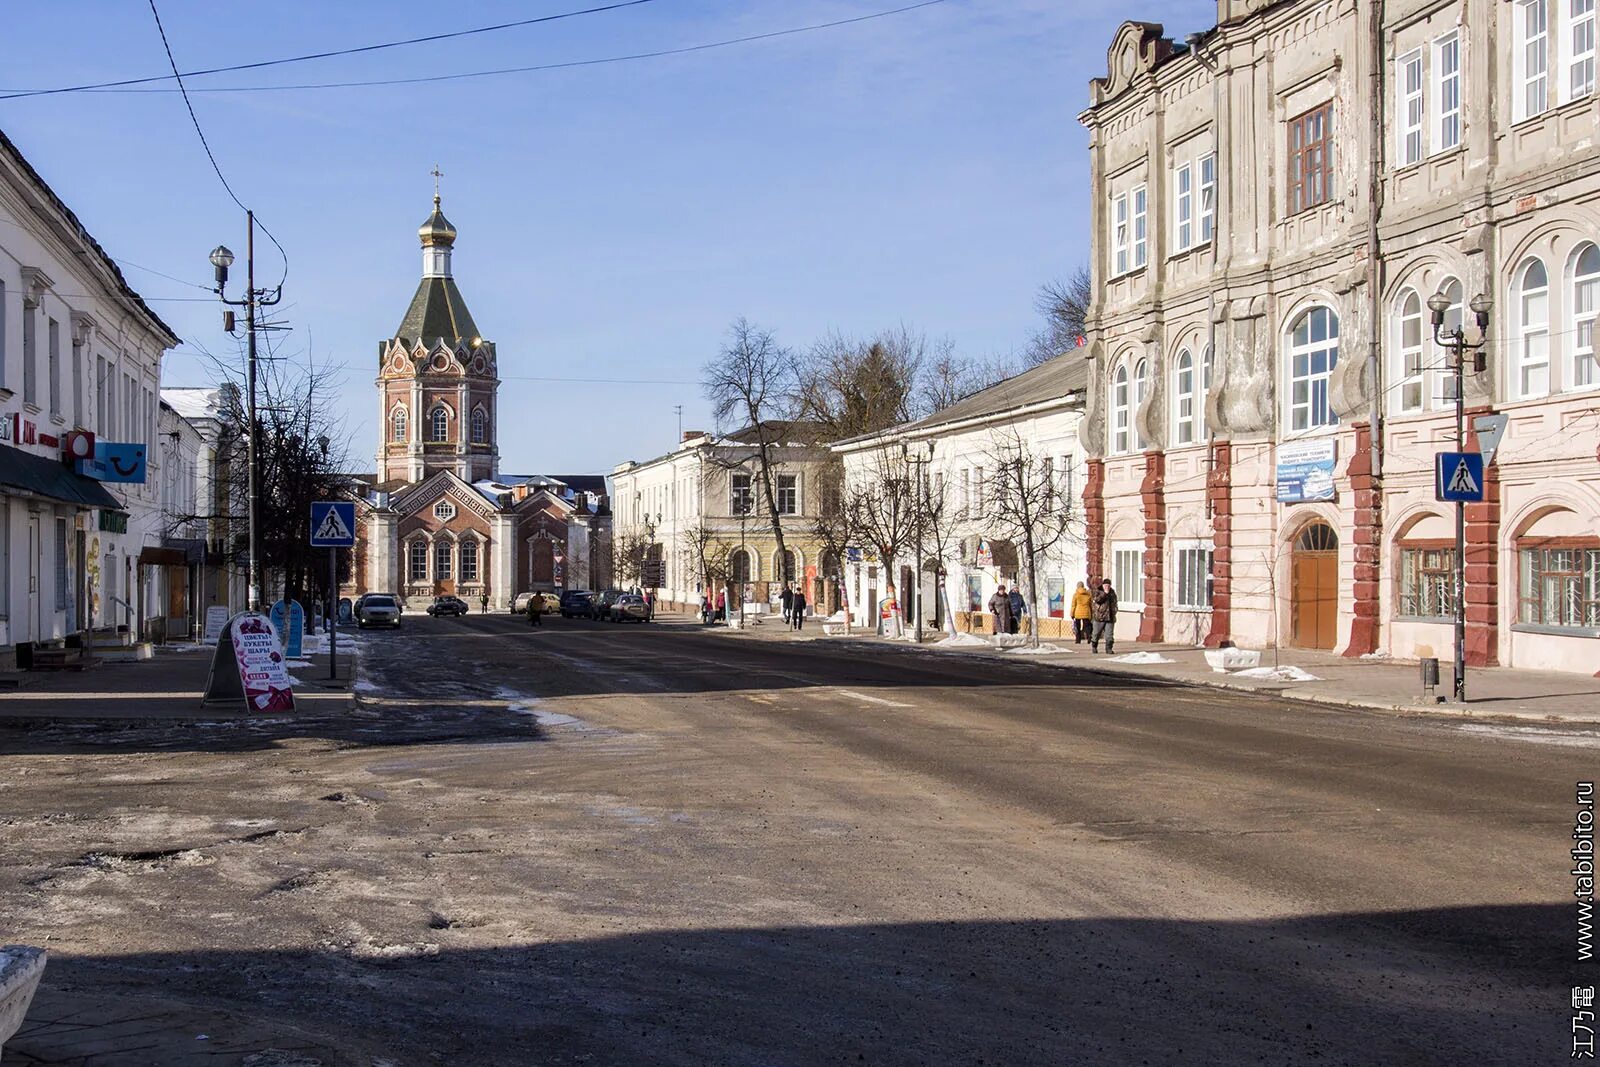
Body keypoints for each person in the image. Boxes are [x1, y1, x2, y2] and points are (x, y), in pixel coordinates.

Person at [1091, 579, 1118, 654]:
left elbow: (1115, 602)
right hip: (1099, 617)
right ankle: (1094, 647)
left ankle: (1109, 649)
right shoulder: (1098, 591)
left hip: (1110, 617)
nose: (1107, 587)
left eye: (1108, 585)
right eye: (1105, 585)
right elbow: (1097, 600)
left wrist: (1115, 610)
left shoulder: (1112, 592)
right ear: (1103, 585)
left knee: (1109, 635)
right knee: (1096, 634)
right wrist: (1105, 594)